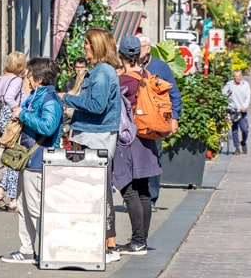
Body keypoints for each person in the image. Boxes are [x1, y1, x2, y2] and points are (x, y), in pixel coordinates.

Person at [62, 28, 122, 264]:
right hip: (91, 135)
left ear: (97, 45)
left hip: (97, 137)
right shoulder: (98, 71)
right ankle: (100, 240)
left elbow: (97, 105)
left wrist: (67, 98)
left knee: (100, 190)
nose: (83, 46)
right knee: (93, 190)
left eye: (87, 43)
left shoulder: (103, 72)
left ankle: (109, 244)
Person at [1, 57, 64, 264]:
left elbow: (48, 126)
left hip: (38, 160)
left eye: (29, 74)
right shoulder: (39, 96)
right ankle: (27, 249)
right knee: (24, 206)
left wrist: (24, 115)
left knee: (36, 208)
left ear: (39, 78)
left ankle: (46, 250)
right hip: (28, 160)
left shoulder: (50, 99)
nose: (27, 77)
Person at [111, 37, 161, 255]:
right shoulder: (147, 75)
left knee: (129, 189)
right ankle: (141, 240)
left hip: (129, 139)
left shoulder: (123, 80)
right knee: (143, 191)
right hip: (148, 137)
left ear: (121, 54)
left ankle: (137, 242)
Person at [137, 34, 181, 210]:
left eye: (140, 46)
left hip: (154, 122)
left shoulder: (159, 67)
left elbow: (174, 94)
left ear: (148, 48)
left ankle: (151, 198)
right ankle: (135, 196)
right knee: (134, 159)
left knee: (154, 159)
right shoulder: (126, 65)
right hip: (133, 122)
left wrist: (174, 119)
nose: (136, 49)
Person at [0, 52, 26, 212]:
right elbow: (11, 98)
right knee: (17, 158)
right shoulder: (17, 80)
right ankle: (12, 199)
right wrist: (17, 110)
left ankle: (0, 193)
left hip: (0, 123)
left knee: (13, 158)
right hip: (13, 123)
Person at [222, 69, 251, 154]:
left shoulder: (246, 85)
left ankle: (243, 142)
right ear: (233, 77)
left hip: (242, 110)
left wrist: (244, 106)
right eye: (236, 77)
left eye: (239, 76)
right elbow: (223, 94)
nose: (237, 78)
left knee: (245, 129)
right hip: (233, 110)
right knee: (234, 130)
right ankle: (237, 147)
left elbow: (248, 97)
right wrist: (227, 105)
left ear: (241, 76)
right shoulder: (229, 84)